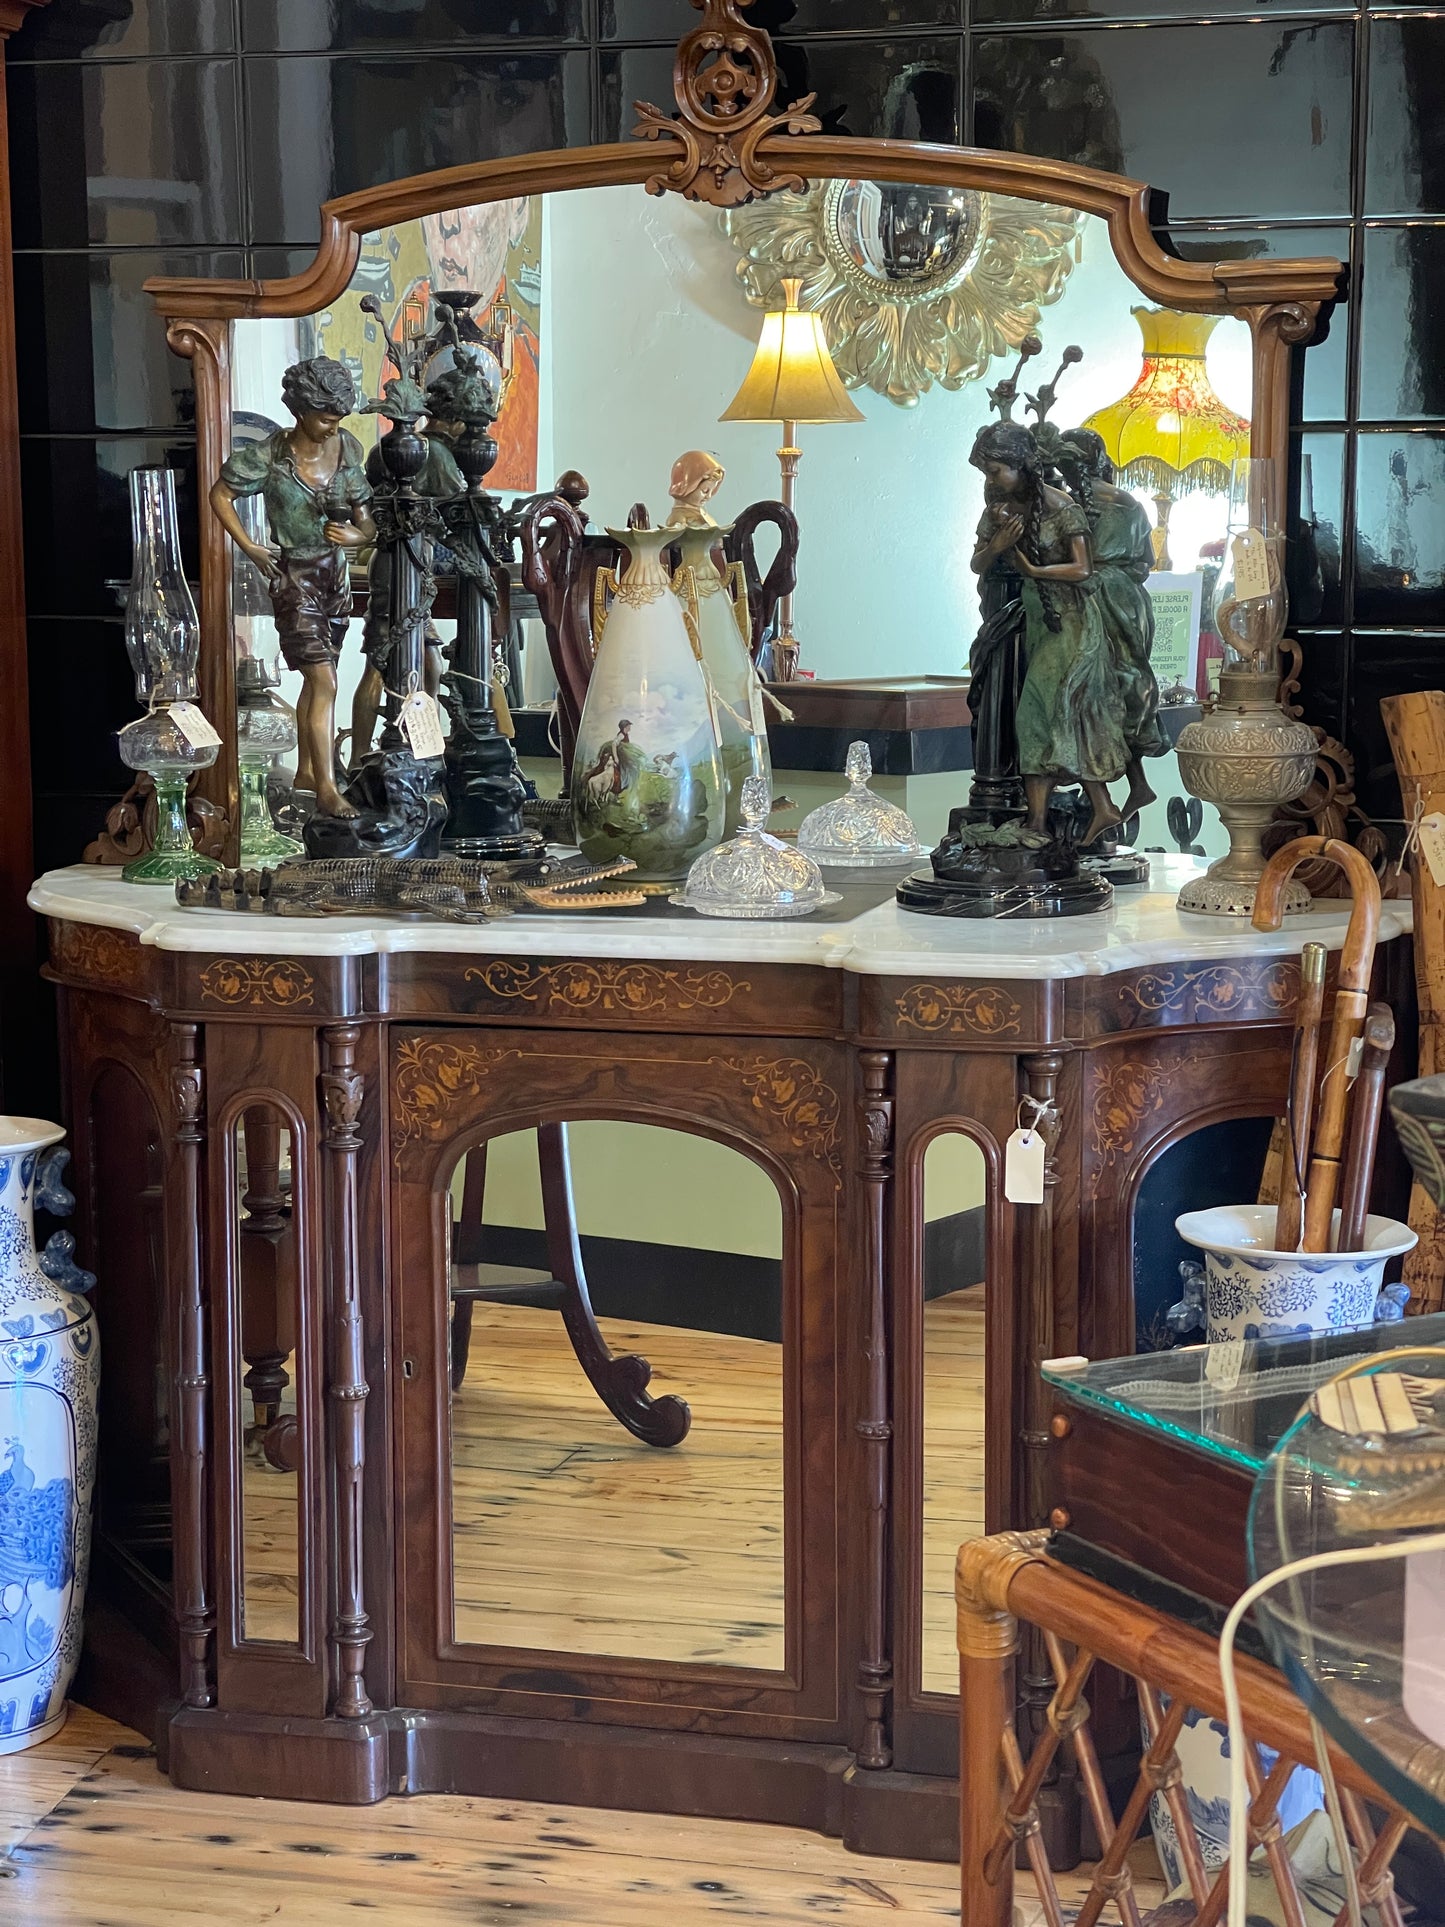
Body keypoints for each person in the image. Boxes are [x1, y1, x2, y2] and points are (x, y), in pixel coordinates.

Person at [209, 356, 375, 818]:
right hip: (294, 577)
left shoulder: (347, 450)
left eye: (339, 418)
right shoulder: (269, 457)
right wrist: (251, 547)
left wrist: (357, 536)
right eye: (326, 417)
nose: (332, 426)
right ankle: (327, 786)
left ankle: (306, 769)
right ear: (301, 411)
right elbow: (219, 495)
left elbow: (368, 522)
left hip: (334, 578)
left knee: (318, 680)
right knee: (324, 680)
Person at [970, 420, 1126, 847]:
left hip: (1072, 622)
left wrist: (1035, 570)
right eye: (986, 472)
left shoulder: (1061, 507)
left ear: (1022, 465)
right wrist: (999, 545)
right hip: (1039, 620)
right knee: (1052, 715)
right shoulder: (999, 511)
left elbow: (1083, 568)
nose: (991, 480)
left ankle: (1047, 818)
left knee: (1039, 713)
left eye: (996, 470)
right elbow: (977, 564)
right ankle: (1087, 810)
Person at [1057, 426, 1166, 819]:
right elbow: (1144, 561)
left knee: (1096, 690)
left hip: (1095, 595)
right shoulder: (1130, 503)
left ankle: (1115, 784)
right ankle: (1137, 783)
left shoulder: (1073, 507)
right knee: (1129, 682)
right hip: (1131, 599)